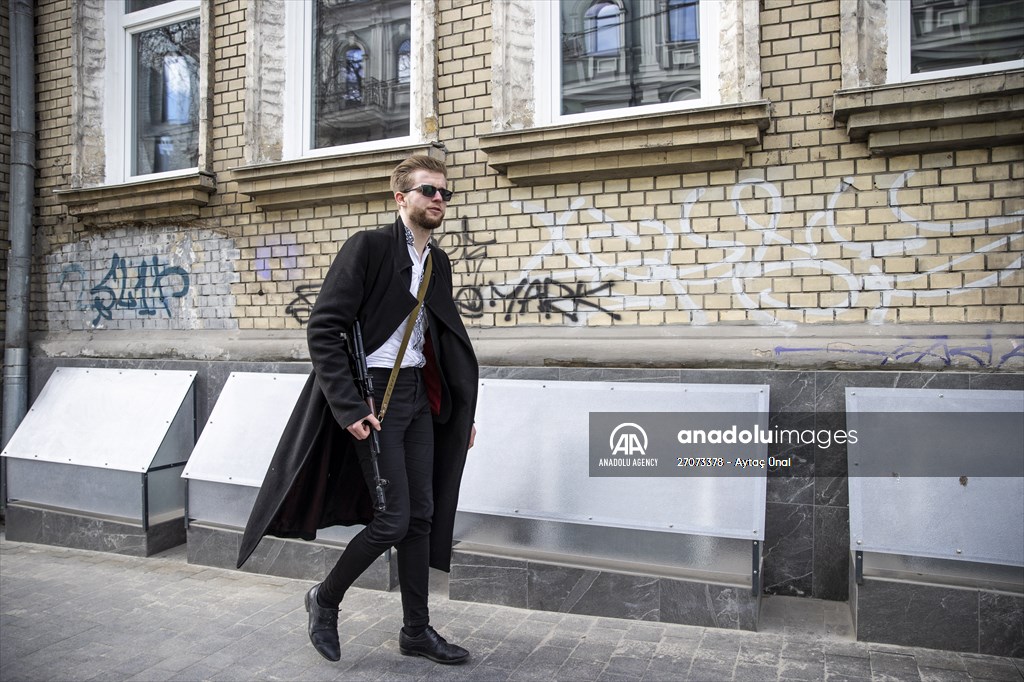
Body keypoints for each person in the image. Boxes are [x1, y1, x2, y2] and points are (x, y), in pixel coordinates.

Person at [237, 155, 479, 665]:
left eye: (444, 194)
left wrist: (458, 414)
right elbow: (324, 327)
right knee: (393, 519)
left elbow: (441, 340)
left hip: (417, 396)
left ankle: (417, 630)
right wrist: (347, 404)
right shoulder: (368, 248)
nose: (438, 200)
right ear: (401, 198)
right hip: (375, 398)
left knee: (421, 517)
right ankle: (324, 599)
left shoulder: (438, 263)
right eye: (428, 191)